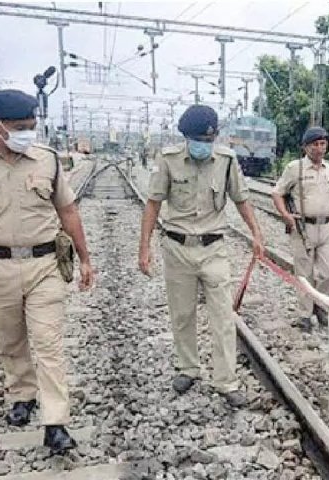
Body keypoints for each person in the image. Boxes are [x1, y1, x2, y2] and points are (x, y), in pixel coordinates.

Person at [0, 89, 95, 453]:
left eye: (31, 126)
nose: (27, 133)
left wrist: (85, 258)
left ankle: (55, 422)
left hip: (44, 264)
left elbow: (68, 211)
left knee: (48, 343)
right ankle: (22, 395)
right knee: (10, 340)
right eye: (19, 127)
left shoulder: (47, 159)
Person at [138, 104, 264, 408]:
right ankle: (188, 368)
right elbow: (153, 203)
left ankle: (226, 381)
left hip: (213, 249)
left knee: (223, 316)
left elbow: (241, 199)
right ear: (186, 137)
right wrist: (144, 248)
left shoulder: (226, 160)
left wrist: (257, 234)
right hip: (177, 248)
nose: (203, 145)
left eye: (209, 140)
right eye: (198, 140)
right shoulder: (168, 160)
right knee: (182, 314)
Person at [271, 127, 329, 332]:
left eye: (323, 144)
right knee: (304, 274)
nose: (319, 148)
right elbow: (277, 193)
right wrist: (285, 215)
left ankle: (318, 304)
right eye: (315, 144)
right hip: (303, 228)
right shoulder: (294, 168)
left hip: (327, 227)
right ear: (306, 147)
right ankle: (305, 314)